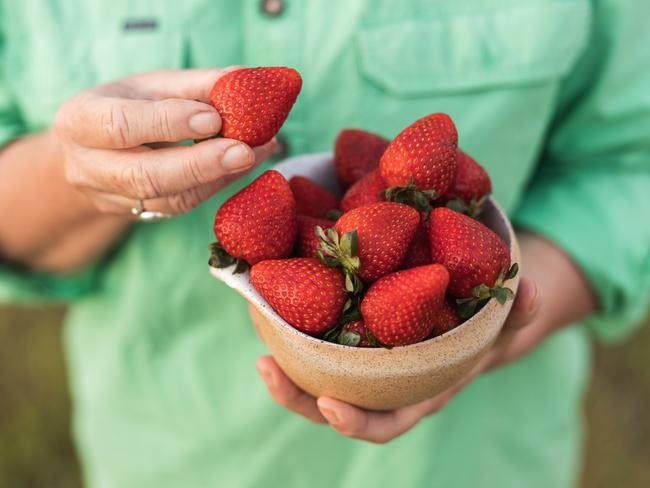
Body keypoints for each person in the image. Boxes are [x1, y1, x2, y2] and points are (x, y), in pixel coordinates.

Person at [0, 1, 649, 487]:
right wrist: (74, 170)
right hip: (174, 454)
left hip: (474, 460)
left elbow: (630, 169)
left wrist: (485, 333)